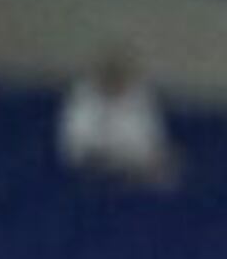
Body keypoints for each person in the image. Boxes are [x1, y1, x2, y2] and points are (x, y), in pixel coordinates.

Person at [56, 47, 179, 188]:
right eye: (111, 76)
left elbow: (151, 144)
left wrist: (144, 163)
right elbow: (75, 148)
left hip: (133, 172)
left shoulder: (141, 98)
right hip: (92, 173)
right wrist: (116, 159)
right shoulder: (83, 98)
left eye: (121, 76)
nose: (116, 81)